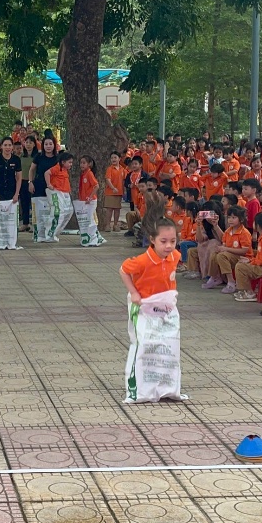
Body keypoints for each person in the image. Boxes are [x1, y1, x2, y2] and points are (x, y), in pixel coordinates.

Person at [120, 192, 183, 403]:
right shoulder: (141, 261)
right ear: (152, 240)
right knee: (144, 344)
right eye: (163, 241)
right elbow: (123, 270)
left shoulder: (175, 256)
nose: (168, 246)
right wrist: (134, 293)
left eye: (173, 241)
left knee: (168, 346)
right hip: (144, 306)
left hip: (166, 308)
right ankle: (137, 388)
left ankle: (167, 387)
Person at [0, 137, 22, 250]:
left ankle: (11, 241)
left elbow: (19, 178)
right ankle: (0, 240)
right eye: (5, 145)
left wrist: (16, 194)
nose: (7, 147)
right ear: (1, 146)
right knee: (0, 218)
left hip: (12, 192)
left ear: (12, 147)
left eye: (9, 145)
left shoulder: (16, 160)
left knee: (11, 218)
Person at [75, 155, 105, 247]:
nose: (82, 165)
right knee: (87, 220)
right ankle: (94, 237)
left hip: (90, 201)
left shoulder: (89, 174)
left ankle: (94, 239)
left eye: (84, 163)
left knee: (91, 220)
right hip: (84, 200)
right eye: (81, 163)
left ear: (89, 164)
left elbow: (96, 186)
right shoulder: (83, 174)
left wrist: (90, 197)